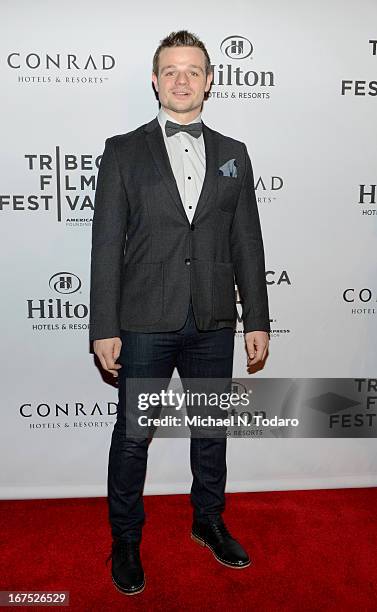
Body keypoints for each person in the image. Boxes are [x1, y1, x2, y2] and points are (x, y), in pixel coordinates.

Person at [89, 29, 270, 596]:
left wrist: (258, 319)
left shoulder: (234, 154)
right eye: (171, 70)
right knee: (134, 434)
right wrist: (103, 327)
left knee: (211, 429)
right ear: (155, 79)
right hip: (144, 321)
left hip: (214, 321)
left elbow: (248, 243)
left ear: (211, 80)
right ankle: (125, 539)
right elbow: (106, 245)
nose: (182, 80)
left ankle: (208, 520)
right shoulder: (122, 151)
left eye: (193, 70)